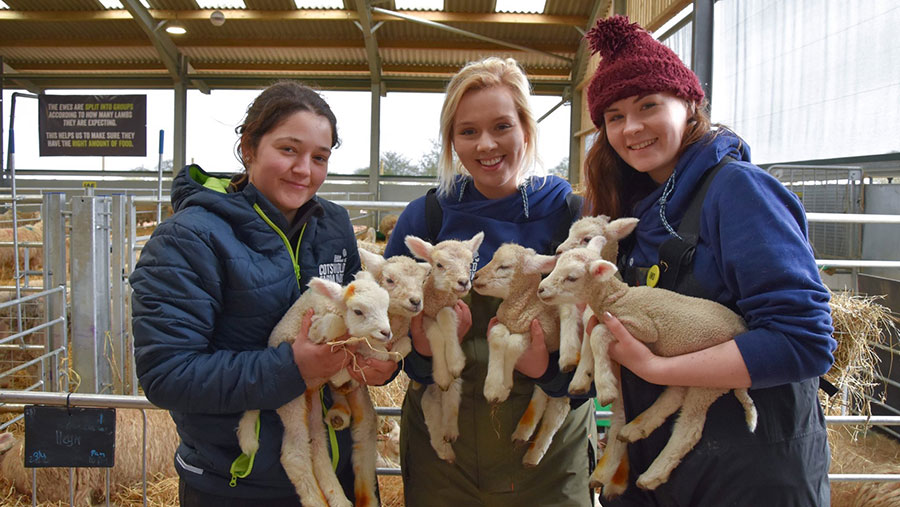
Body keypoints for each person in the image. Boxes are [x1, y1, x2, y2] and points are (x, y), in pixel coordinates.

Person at [581, 16, 836, 506]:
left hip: (748, 468)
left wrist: (656, 368)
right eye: (614, 116)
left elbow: (803, 341)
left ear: (688, 103)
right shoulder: (631, 213)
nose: (631, 127)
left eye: (648, 106)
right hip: (659, 463)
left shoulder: (738, 190)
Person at [130, 81, 396, 506]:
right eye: (288, 149)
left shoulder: (334, 227)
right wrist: (293, 368)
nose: (304, 170)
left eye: (320, 157)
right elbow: (168, 375)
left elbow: (356, 316)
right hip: (239, 481)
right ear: (248, 147)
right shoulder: (189, 238)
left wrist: (376, 362)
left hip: (336, 474)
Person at [383, 57, 597, 507]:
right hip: (445, 449)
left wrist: (549, 373)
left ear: (526, 128)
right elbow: (390, 332)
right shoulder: (427, 217)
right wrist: (424, 352)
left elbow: (605, 339)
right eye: (467, 131)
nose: (485, 144)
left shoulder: (569, 218)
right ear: (451, 140)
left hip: (546, 452)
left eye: (501, 126)